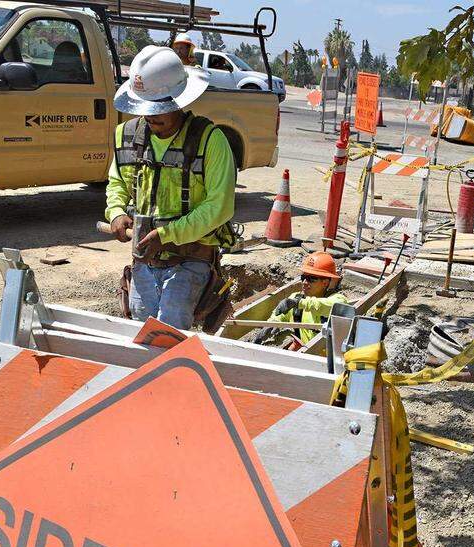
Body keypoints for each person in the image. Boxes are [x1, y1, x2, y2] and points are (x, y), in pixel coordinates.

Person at [105, 45, 236, 330]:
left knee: (169, 330)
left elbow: (219, 206)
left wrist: (168, 235)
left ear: (178, 99)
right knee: (141, 327)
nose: (151, 117)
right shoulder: (126, 136)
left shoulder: (209, 140)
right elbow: (116, 183)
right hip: (144, 263)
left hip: (191, 259)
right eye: (146, 108)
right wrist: (115, 212)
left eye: (159, 109)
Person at [256, 253, 349, 346]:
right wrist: (272, 323)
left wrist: (299, 303)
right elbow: (279, 316)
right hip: (305, 354)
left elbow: (326, 305)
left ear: (325, 283)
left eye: (311, 279)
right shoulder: (295, 299)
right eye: (303, 277)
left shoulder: (338, 300)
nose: (304, 282)